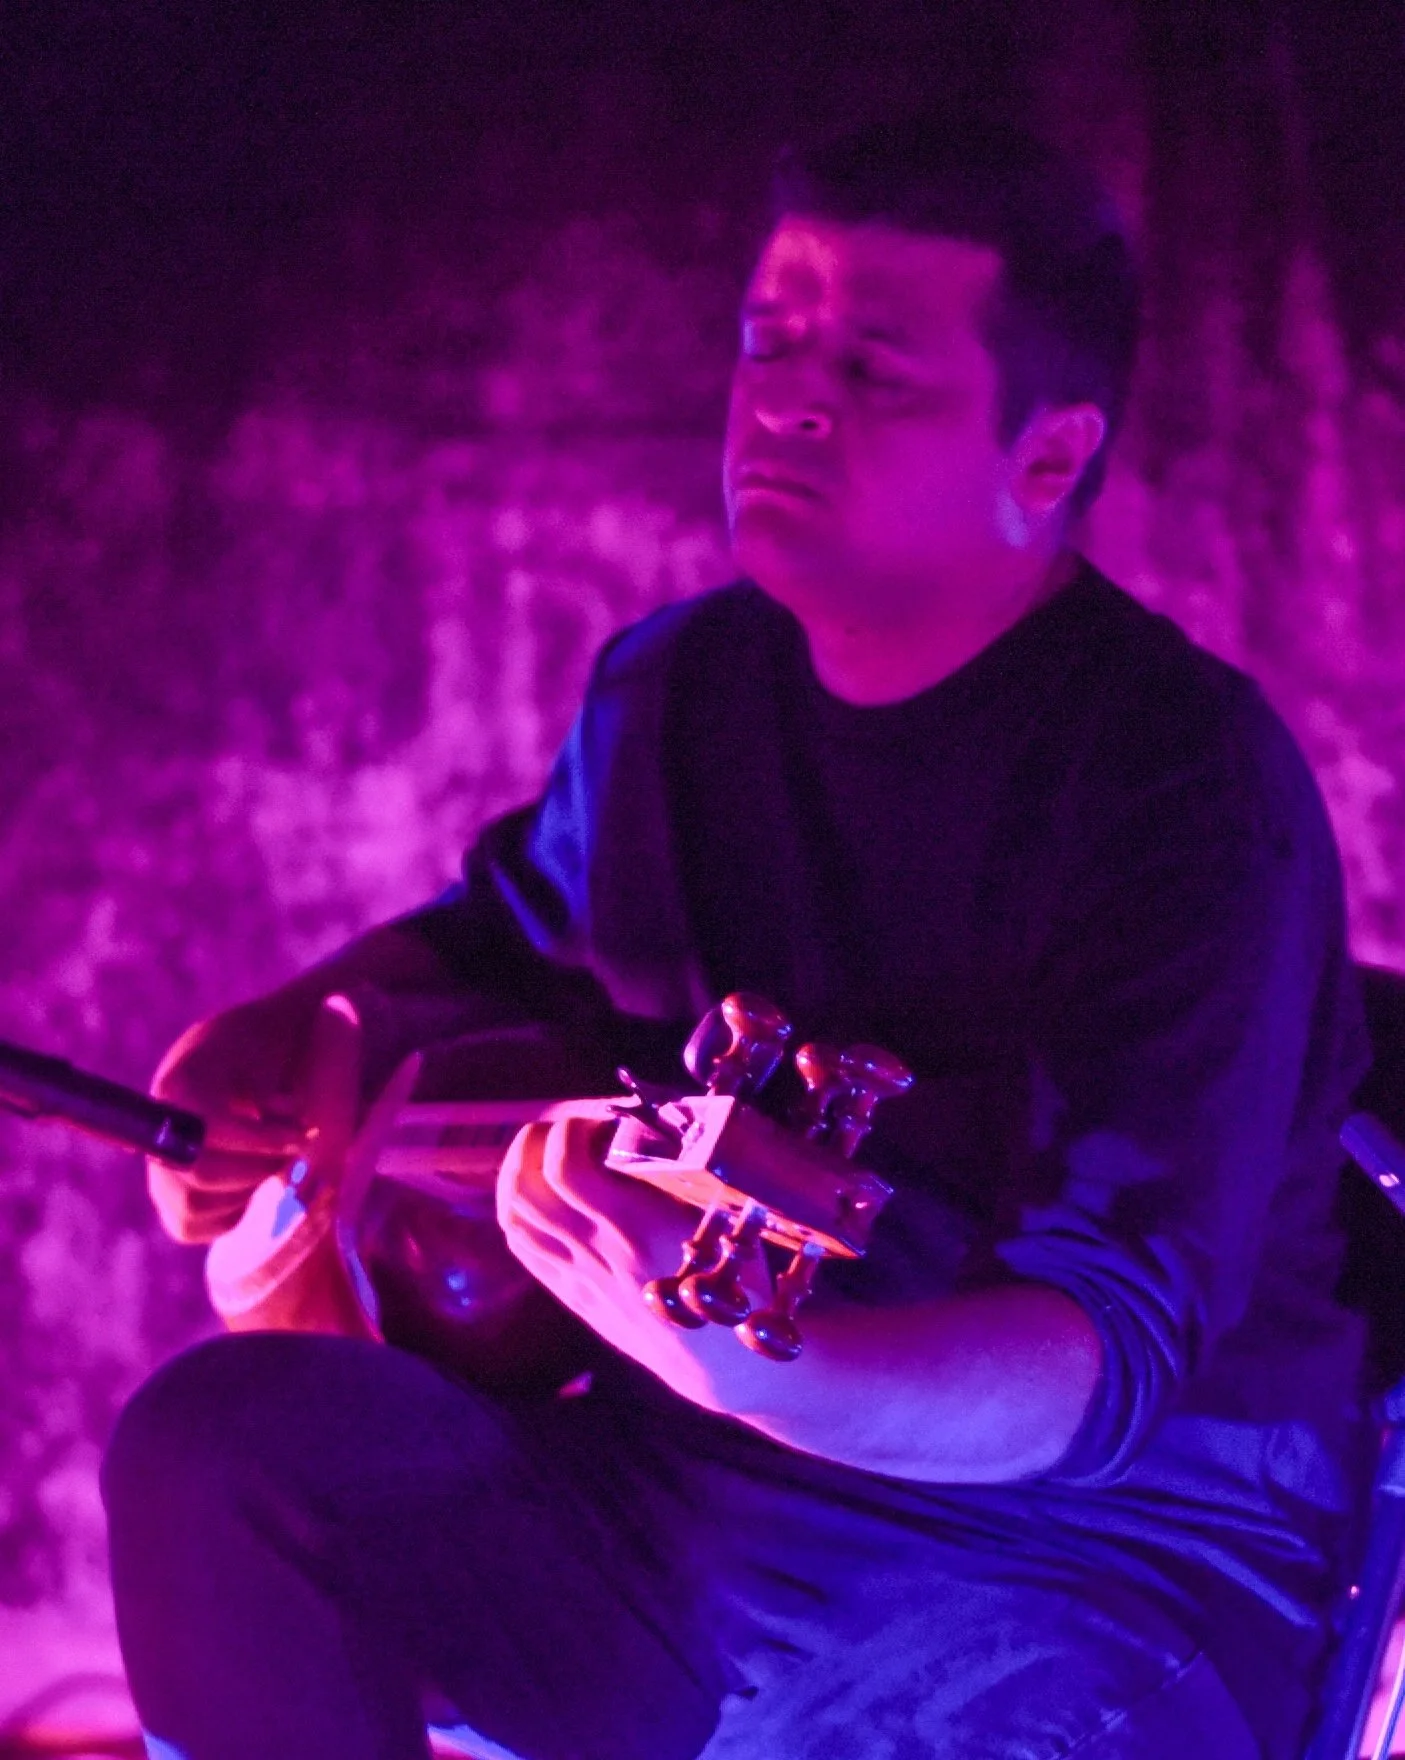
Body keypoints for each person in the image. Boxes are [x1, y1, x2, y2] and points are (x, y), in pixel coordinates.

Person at [101, 113, 1371, 1760]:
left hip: (1090, 1561)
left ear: (1045, 461)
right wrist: (288, 1035)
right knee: (225, 1448)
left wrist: (765, 1372)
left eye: (875, 367)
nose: (786, 397)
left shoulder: (1186, 785)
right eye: (772, 340)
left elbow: (1100, 1358)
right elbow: (497, 943)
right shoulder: (675, 696)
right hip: (687, 1509)